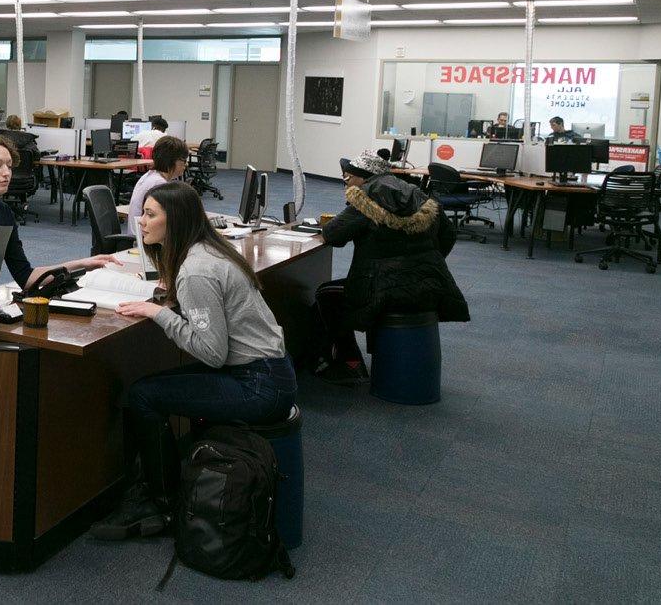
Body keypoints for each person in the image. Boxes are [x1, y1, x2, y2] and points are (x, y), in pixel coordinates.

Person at [90, 181, 296, 540]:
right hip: (269, 372)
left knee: (143, 395)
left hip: (260, 385)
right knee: (159, 385)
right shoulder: (206, 251)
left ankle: (162, 501)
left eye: (150, 214)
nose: (140, 220)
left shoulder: (196, 270)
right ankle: (161, 486)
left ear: (177, 221)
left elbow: (212, 354)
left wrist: (159, 314)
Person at [311, 151, 469, 385]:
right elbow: (448, 234)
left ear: (364, 177)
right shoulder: (417, 194)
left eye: (349, 177)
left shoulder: (365, 198)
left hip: (383, 289)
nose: (346, 182)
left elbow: (333, 234)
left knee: (327, 295)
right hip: (433, 284)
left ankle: (348, 364)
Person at [0, 135, 122, 289]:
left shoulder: (5, 214)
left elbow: (26, 277)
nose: (7, 173)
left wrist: (82, 264)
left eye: (9, 166)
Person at [126, 135, 188, 236]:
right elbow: (170, 220)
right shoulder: (159, 184)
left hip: (142, 234)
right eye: (184, 160)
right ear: (171, 161)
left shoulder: (150, 176)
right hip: (145, 240)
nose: (186, 165)